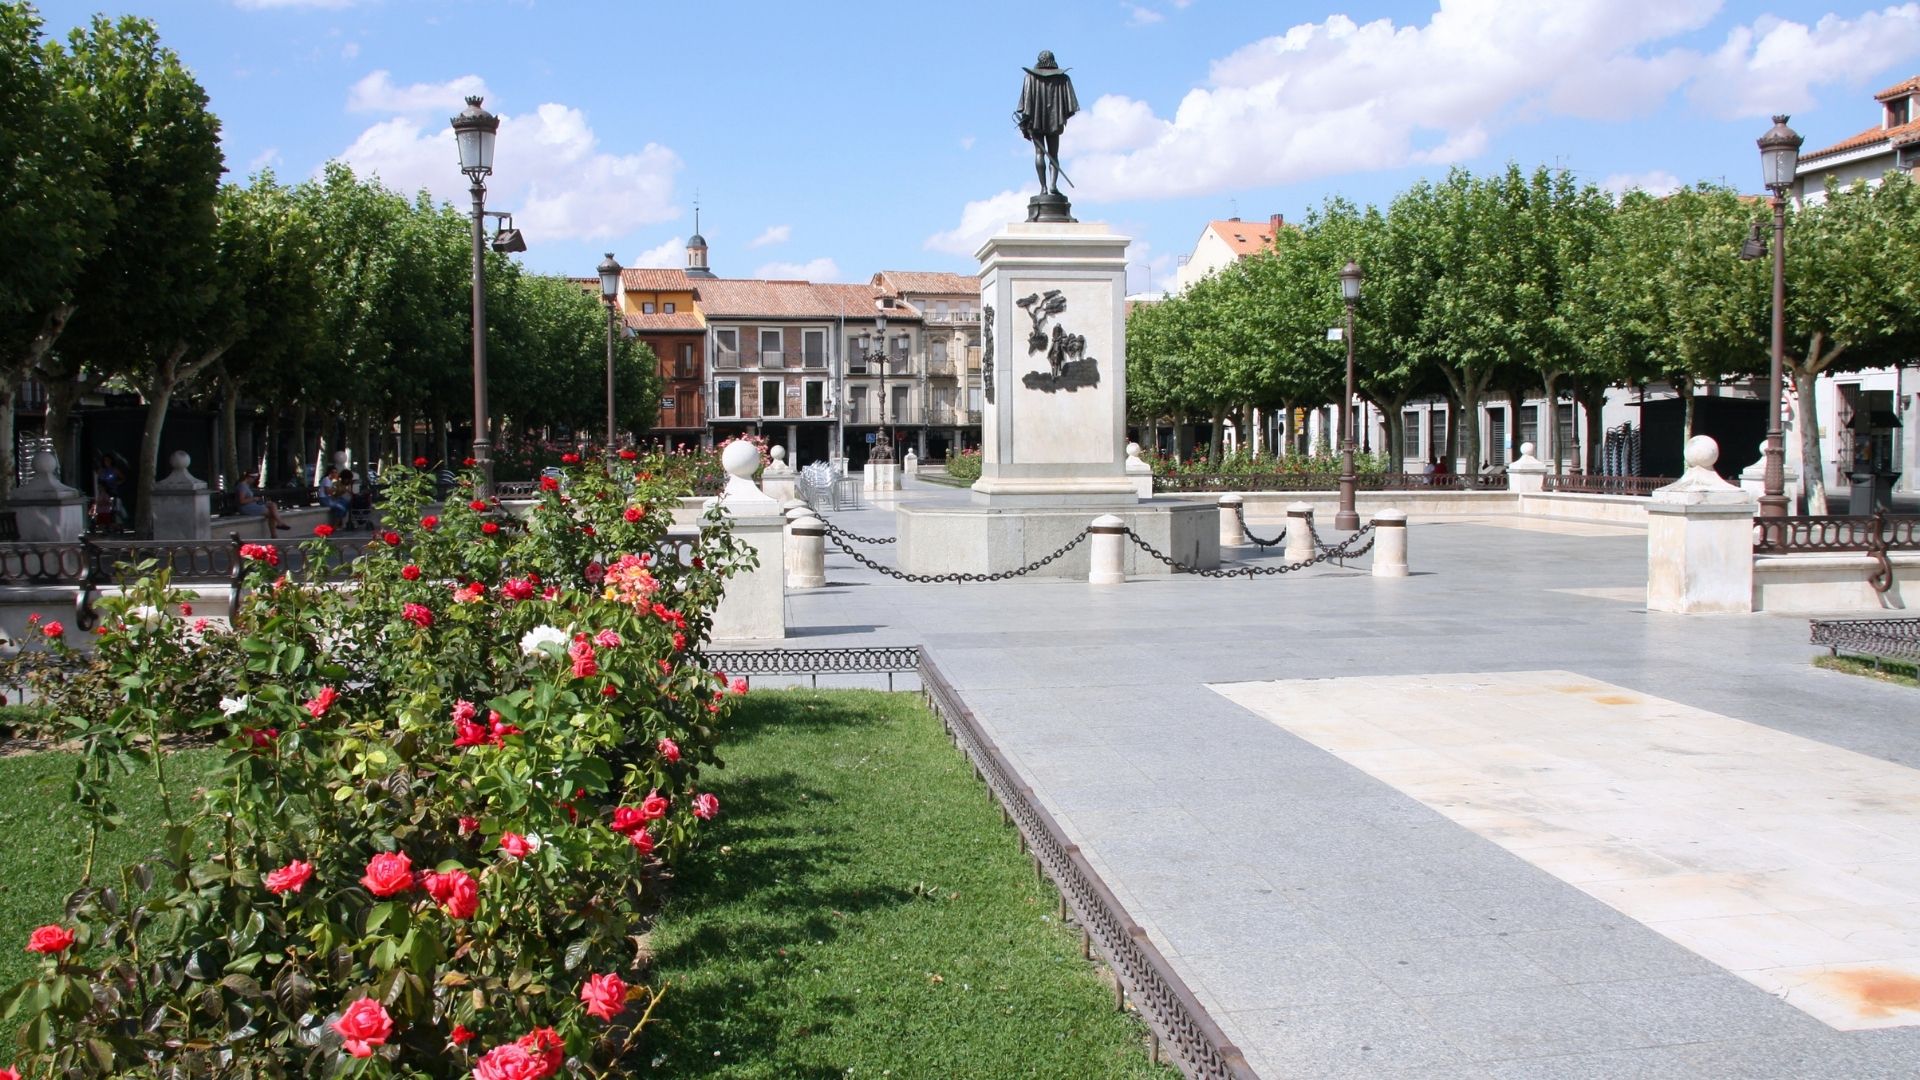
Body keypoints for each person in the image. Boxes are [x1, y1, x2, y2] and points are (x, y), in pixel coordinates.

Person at [1015, 51, 1078, 197]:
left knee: (1039, 153)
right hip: (1054, 121)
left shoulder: (1029, 78)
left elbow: (1024, 106)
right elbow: (1070, 106)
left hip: (1036, 121)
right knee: (1053, 154)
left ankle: (1044, 187)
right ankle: (1053, 185)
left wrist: (1025, 122)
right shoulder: (1062, 79)